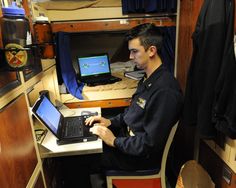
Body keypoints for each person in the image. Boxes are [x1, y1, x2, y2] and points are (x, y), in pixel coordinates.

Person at [84, 23, 183, 187]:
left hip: (138, 157)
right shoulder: (149, 78)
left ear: (152, 50)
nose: (130, 56)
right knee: (87, 138)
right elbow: (133, 113)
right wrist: (110, 122)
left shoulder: (165, 90)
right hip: (129, 140)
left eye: (134, 51)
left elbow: (149, 144)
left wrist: (114, 141)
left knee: (83, 155)